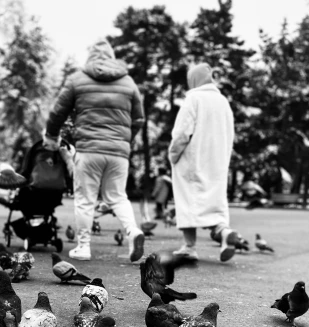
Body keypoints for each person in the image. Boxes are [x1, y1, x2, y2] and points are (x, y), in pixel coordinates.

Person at [43, 38, 145, 262]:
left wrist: (51, 136)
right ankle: (132, 231)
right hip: (119, 152)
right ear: (111, 56)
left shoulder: (78, 79)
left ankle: (83, 246)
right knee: (117, 197)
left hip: (89, 150)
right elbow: (138, 119)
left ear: (91, 56)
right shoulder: (128, 83)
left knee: (85, 199)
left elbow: (58, 112)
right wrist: (125, 140)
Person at [168, 63, 243, 262]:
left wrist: (173, 155)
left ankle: (189, 246)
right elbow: (230, 132)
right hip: (217, 162)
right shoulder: (223, 101)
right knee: (214, 202)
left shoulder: (193, 99)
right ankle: (224, 232)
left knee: (188, 201)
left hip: (192, 158)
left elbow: (182, 133)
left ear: (193, 80)